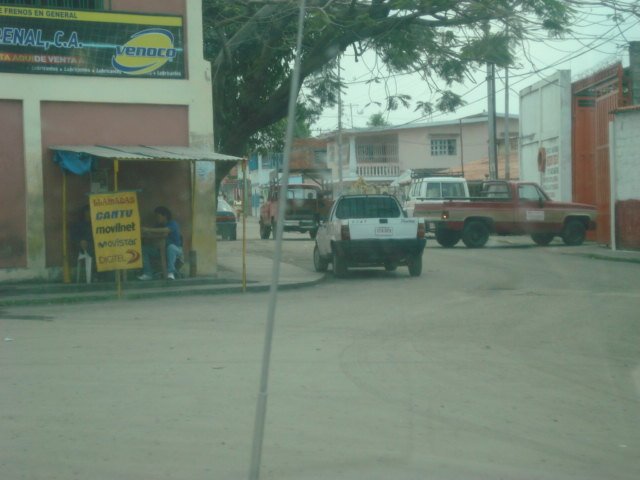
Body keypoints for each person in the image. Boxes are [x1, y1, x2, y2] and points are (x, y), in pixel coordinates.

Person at [138, 206, 183, 281]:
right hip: (161, 250)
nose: (156, 218)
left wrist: (149, 229)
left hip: (176, 250)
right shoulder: (158, 225)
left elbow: (166, 230)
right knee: (144, 250)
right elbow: (153, 234)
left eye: (158, 216)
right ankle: (148, 273)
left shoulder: (173, 223)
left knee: (170, 248)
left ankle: (170, 273)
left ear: (164, 216)